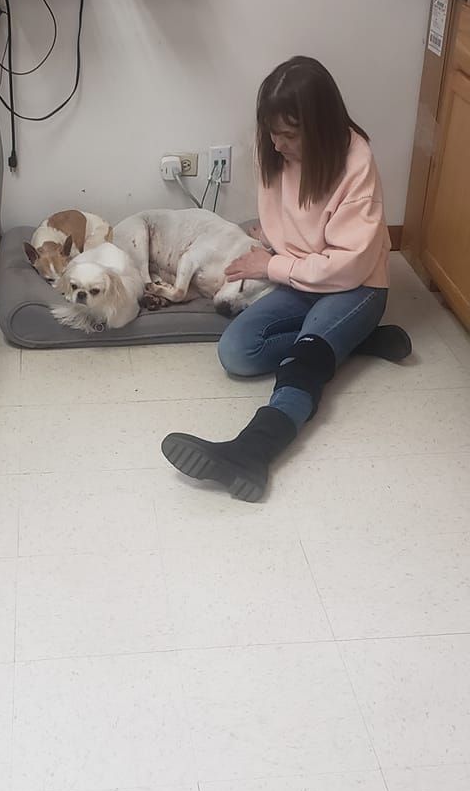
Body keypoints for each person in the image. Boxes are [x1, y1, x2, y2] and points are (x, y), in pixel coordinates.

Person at [161, 56, 412, 502]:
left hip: (356, 285)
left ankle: (252, 452)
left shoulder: (356, 162)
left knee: (306, 358)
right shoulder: (273, 149)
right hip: (300, 275)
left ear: (321, 128)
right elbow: (287, 222)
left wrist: (270, 266)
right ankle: (351, 343)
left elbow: (347, 265)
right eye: (272, 132)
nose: (277, 145)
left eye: (289, 135)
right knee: (236, 353)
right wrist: (273, 252)